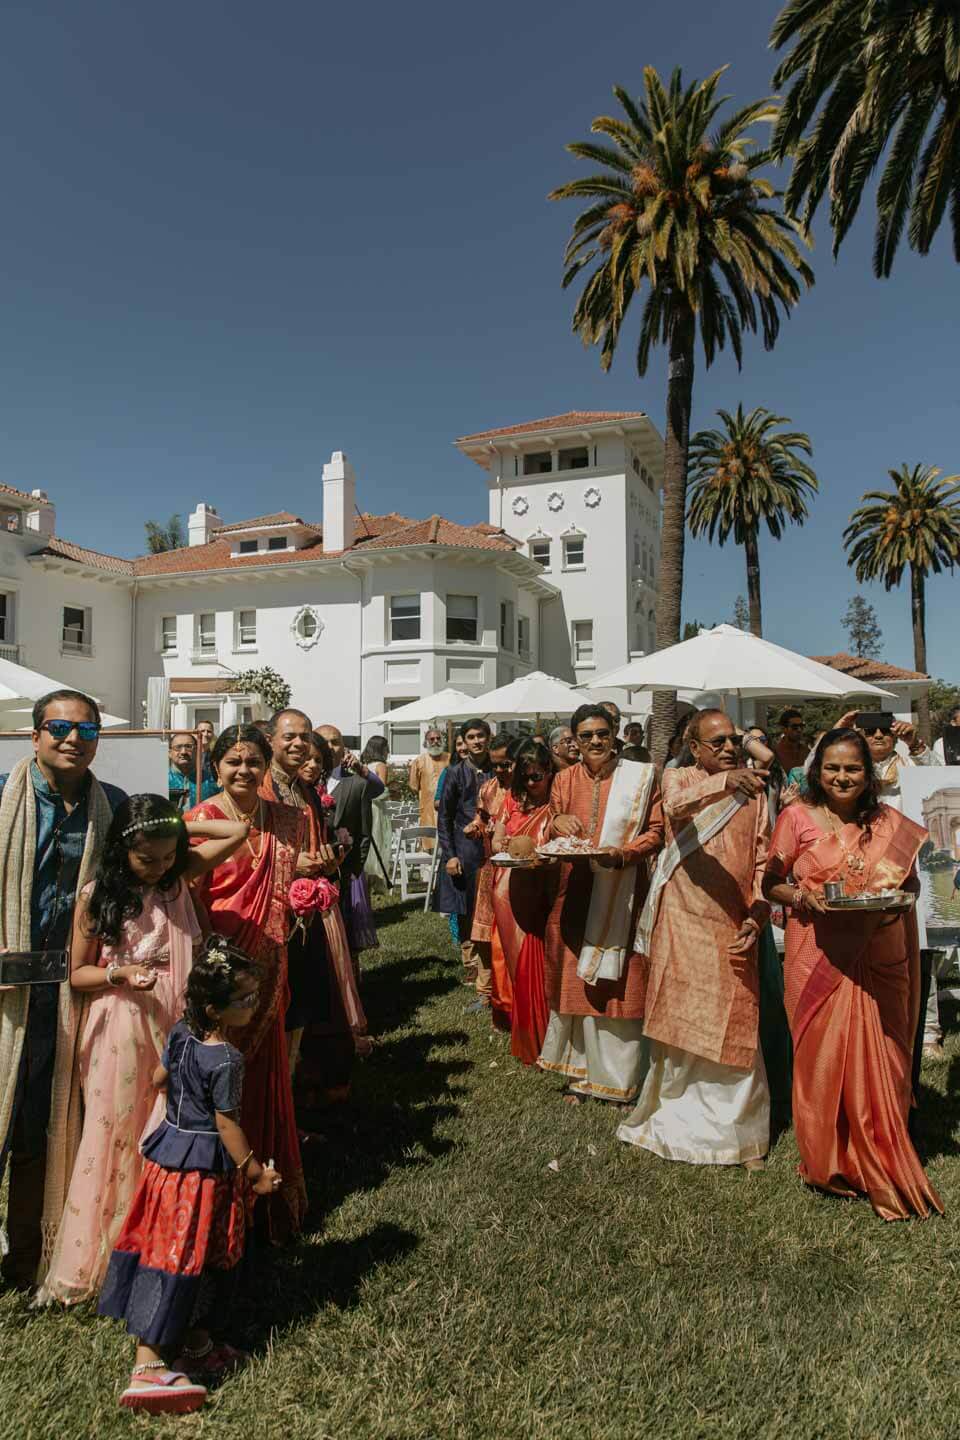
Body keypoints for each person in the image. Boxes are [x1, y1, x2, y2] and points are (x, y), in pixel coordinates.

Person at [38, 796, 249, 1304]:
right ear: (122, 850)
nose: (157, 867)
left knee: (169, 1129)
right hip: (122, 1024)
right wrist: (121, 973)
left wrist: (178, 829)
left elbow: (237, 832)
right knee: (116, 1132)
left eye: (167, 856)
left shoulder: (176, 880)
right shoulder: (99, 896)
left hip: (174, 1019)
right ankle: (107, 1254)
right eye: (145, 859)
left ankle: (162, 1248)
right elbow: (77, 973)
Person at [762, 729, 943, 1221]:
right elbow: (770, 883)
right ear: (817, 771)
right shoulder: (796, 817)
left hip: (880, 950)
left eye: (853, 768)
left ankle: (879, 1153)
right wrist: (801, 896)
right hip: (817, 952)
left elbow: (910, 883)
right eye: (833, 768)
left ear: (868, 774)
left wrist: (898, 901)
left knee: (887, 1054)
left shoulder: (888, 823)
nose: (842, 777)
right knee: (820, 1056)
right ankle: (828, 1161)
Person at [99, 938, 281, 1414]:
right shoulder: (227, 1059)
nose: (253, 1004)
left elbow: (159, 1079)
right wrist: (256, 1173)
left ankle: (197, 1346)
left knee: (186, 1256)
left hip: (167, 1163)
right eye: (244, 999)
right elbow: (227, 1125)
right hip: (201, 1176)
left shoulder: (181, 1032)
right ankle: (148, 1367)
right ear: (214, 1008)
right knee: (178, 1261)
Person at [0, 689, 126, 1290]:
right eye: (59, 728)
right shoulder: (3, 798)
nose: (73, 739)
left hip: (64, 993)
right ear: (34, 736)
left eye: (87, 731)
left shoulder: (112, 807)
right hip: (4, 988)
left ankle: (26, 1258)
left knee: (40, 1126)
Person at [619, 710, 772, 1168]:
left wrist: (759, 911)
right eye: (717, 742)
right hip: (683, 916)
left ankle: (741, 1133)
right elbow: (674, 807)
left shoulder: (755, 792)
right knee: (683, 1013)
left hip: (733, 920)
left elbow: (762, 856)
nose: (728, 748)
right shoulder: (678, 777)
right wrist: (725, 783)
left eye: (734, 741)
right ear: (694, 746)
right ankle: (679, 1117)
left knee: (736, 1016)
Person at [186, 724, 307, 1241]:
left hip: (271, 963)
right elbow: (190, 895)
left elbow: (289, 883)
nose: (244, 770)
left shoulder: (288, 820)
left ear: (265, 767)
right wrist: (216, 958)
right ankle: (218, 1209)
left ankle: (267, 1202)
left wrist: (307, 892)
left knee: (262, 1075)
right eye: (233, 761)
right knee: (218, 1082)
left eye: (253, 761)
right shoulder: (199, 820)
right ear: (216, 768)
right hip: (218, 970)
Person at [538, 705, 663, 1106]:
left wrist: (623, 855)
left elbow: (657, 831)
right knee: (574, 979)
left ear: (615, 735)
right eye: (586, 735)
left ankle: (620, 1080)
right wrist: (557, 823)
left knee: (620, 982)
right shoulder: (563, 779)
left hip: (623, 892)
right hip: (574, 891)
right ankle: (579, 1076)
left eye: (602, 733)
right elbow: (552, 820)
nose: (595, 741)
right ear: (574, 740)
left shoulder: (641, 777)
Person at [261, 716, 368, 1118]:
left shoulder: (303, 789)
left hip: (306, 915)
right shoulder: (262, 788)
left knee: (302, 1011)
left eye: (304, 737)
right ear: (270, 740)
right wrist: (293, 865)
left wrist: (326, 860)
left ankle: (291, 1105)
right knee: (278, 1013)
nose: (298, 744)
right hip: (268, 919)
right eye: (289, 736)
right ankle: (275, 1108)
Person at [834, 709, 942, 1062]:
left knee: (918, 947)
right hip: (862, 868)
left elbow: (939, 778)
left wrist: (918, 744)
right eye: (870, 731)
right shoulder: (852, 770)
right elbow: (813, 777)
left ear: (895, 735)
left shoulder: (910, 763)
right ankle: (869, 1026)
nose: (878, 736)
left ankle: (928, 1030)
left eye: (885, 730)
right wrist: (836, 733)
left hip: (911, 867)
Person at [490, 741, 557, 1065]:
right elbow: (496, 840)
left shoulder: (559, 801)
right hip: (510, 885)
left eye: (537, 776)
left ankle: (548, 1033)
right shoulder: (513, 801)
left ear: (549, 771)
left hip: (546, 885)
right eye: (526, 777)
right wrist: (502, 842)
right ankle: (526, 1026)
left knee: (543, 959)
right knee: (516, 959)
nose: (532, 783)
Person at [435, 719, 494, 994]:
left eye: (480, 736)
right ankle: (472, 964)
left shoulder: (499, 769)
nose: (476, 741)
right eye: (471, 737)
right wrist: (450, 855)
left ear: (488, 738)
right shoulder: (455, 772)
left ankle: (492, 965)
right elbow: (444, 817)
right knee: (466, 908)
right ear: (464, 741)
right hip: (464, 850)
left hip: (494, 847)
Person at [320, 724, 384, 958]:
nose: (329, 747)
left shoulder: (356, 783)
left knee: (344, 934)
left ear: (344, 748)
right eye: (323, 742)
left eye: (335, 742)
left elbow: (364, 832)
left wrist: (355, 868)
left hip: (344, 870)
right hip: (310, 869)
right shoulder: (303, 781)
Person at [466, 735, 514, 1023]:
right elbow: (481, 818)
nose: (499, 770)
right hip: (489, 868)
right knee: (483, 935)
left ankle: (512, 992)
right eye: (495, 765)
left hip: (517, 871)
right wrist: (475, 827)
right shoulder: (488, 788)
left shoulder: (526, 790)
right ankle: (485, 992)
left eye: (505, 764)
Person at [361, 735, 393, 897]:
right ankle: (374, 880)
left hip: (365, 807)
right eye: (386, 748)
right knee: (378, 842)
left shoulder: (364, 766)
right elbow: (381, 790)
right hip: (377, 809)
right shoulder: (381, 766)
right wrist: (390, 791)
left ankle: (366, 884)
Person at [408, 729, 450, 850]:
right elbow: (413, 786)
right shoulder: (419, 761)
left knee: (448, 846)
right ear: (426, 742)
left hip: (449, 810)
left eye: (438, 738)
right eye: (432, 739)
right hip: (428, 811)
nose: (435, 741)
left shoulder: (450, 759)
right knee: (429, 847)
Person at [168, 733, 218, 811]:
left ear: (198, 751)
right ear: (170, 753)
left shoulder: (212, 780)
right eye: (178, 747)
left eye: (188, 747)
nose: (183, 752)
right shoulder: (161, 780)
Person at [774, 709, 809, 774]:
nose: (799, 730)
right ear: (783, 729)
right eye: (794, 727)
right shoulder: (775, 753)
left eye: (801, 726)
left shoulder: (806, 751)